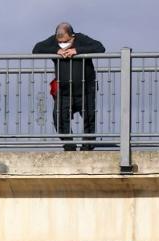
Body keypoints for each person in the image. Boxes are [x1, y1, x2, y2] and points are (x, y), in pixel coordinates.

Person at [33, 23, 105, 151]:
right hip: (64, 92)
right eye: (60, 42)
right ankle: (69, 146)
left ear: (72, 36)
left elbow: (100, 47)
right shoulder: (54, 41)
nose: (63, 44)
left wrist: (77, 51)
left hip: (86, 90)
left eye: (66, 41)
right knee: (59, 117)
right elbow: (36, 49)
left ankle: (87, 148)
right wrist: (56, 51)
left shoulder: (81, 38)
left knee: (89, 118)